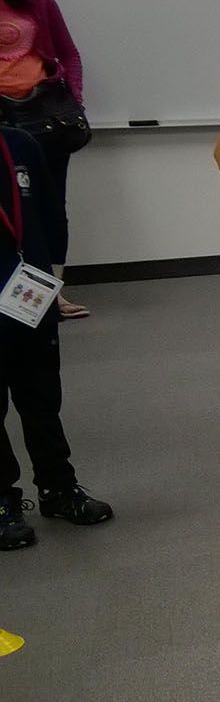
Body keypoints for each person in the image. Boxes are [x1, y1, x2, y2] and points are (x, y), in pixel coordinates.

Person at [0, 126, 112, 550]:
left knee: (42, 398)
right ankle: (3, 500)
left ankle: (58, 488)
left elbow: (50, 215)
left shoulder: (20, 145)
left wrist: (53, 279)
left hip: (29, 295)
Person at [0, 0, 87, 322]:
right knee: (11, 211)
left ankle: (53, 295)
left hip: (44, 116)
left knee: (51, 207)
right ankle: (12, 296)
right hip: (3, 123)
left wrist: (75, 100)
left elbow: (68, 53)